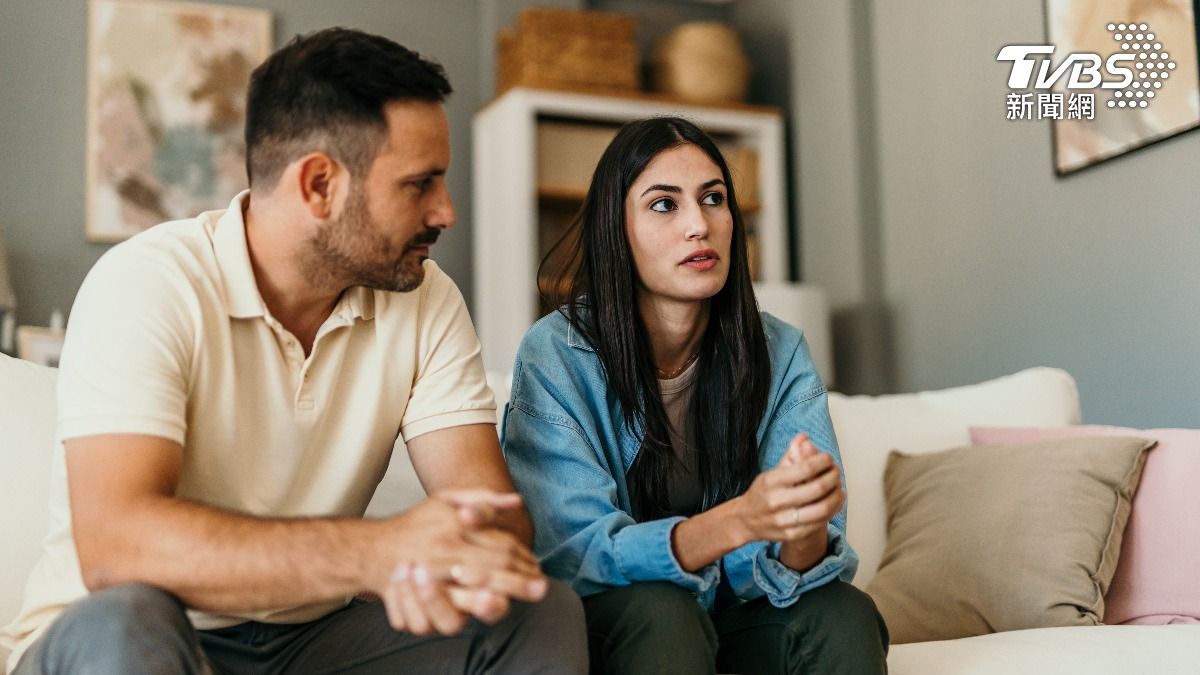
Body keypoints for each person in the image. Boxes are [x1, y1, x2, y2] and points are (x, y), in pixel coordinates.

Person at [1, 28, 586, 675]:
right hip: (134, 633)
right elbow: (118, 545)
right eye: (420, 184)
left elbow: (495, 524)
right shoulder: (147, 283)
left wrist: (450, 558)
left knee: (539, 610)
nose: (445, 211)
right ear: (318, 185)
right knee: (128, 618)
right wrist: (370, 551)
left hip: (310, 641)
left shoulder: (424, 298)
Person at [501, 117, 889, 674]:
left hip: (730, 611)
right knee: (663, 611)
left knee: (843, 612)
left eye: (713, 199)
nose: (699, 226)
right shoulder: (556, 354)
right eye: (665, 205)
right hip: (611, 615)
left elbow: (800, 565)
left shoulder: (779, 350)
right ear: (617, 228)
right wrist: (739, 521)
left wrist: (800, 527)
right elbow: (573, 554)